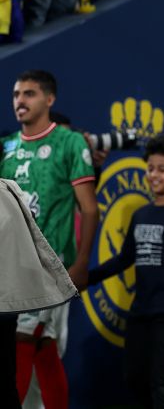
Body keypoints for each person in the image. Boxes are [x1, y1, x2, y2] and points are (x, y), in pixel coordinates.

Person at [86, 134, 164, 409]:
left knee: (162, 382)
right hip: (140, 310)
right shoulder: (141, 214)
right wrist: (87, 278)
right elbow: (124, 259)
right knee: (134, 378)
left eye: (162, 169)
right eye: (151, 168)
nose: (154, 175)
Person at [1, 70, 98, 409]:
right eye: (16, 94)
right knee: (44, 347)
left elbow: (88, 208)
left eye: (29, 94)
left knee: (22, 338)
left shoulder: (69, 143)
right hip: (13, 263)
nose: (20, 101)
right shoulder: (8, 146)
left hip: (48, 262)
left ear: (49, 99)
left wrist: (82, 262)